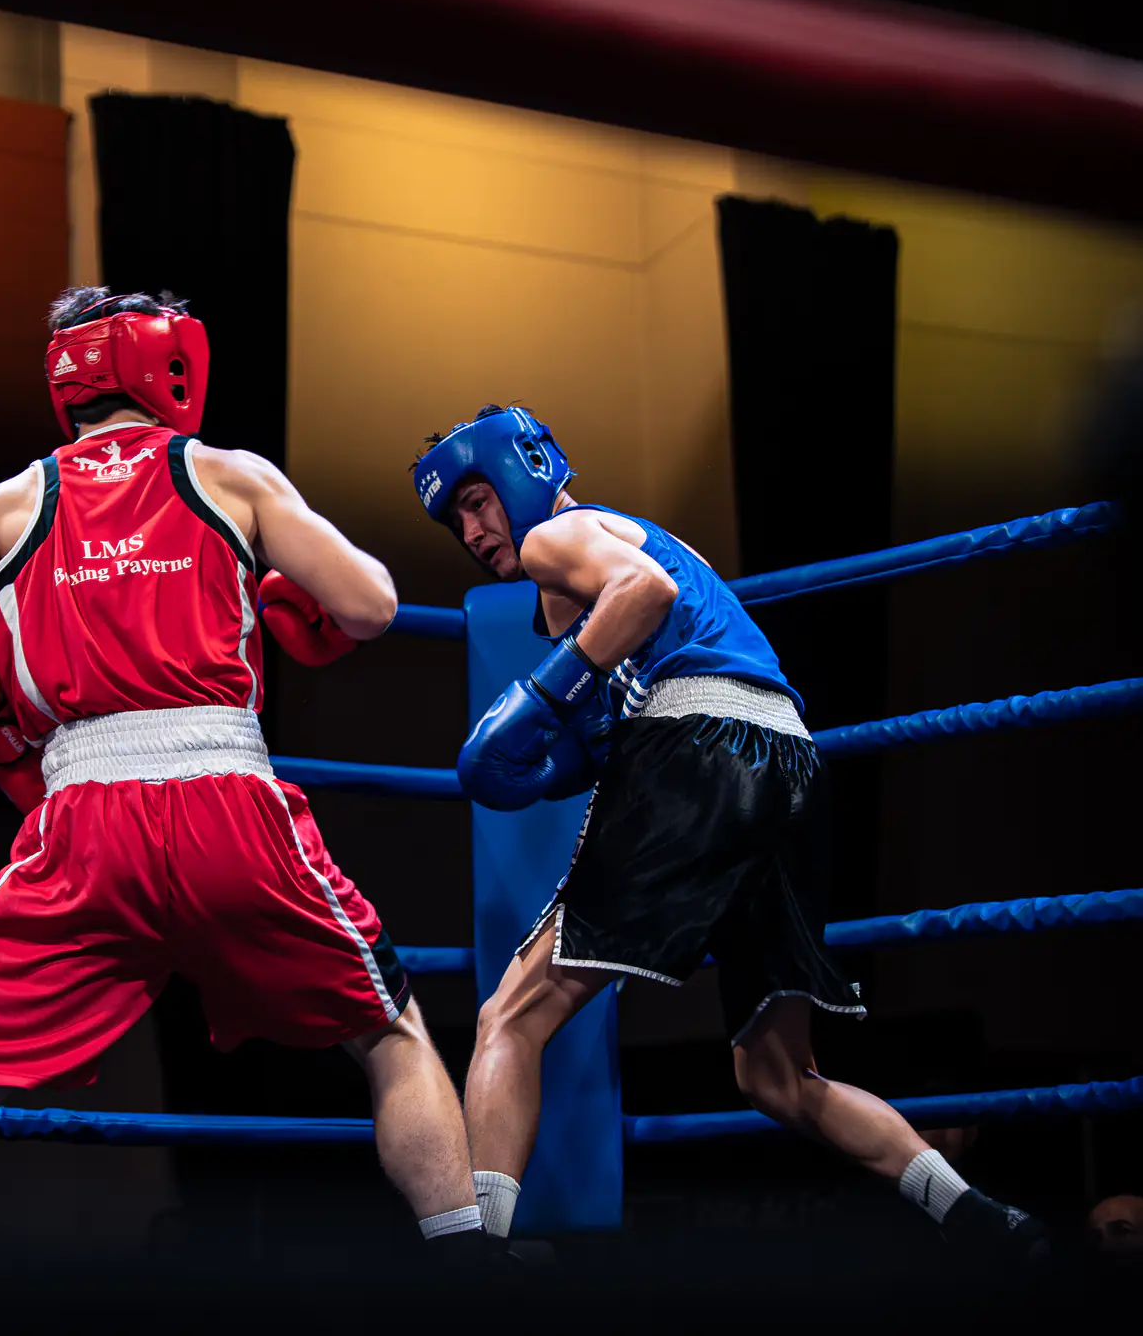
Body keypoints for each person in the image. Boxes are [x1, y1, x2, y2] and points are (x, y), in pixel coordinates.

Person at [0, 288, 480, 1269]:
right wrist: (306, 618)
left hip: (82, 808)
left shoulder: (8, 502)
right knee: (391, 1035)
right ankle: (470, 1261)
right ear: (166, 363)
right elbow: (374, 601)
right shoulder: (227, 476)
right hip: (228, 795)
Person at [411, 402, 1047, 1259]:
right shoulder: (628, 546)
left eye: (478, 499)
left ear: (523, 471)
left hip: (699, 747)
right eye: (456, 517)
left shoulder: (554, 543)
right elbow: (617, 697)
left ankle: (475, 1257)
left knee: (507, 1019)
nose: (473, 528)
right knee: (778, 1077)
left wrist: (540, 696)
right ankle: (979, 1216)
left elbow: (644, 596)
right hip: (789, 763)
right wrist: (564, 736)